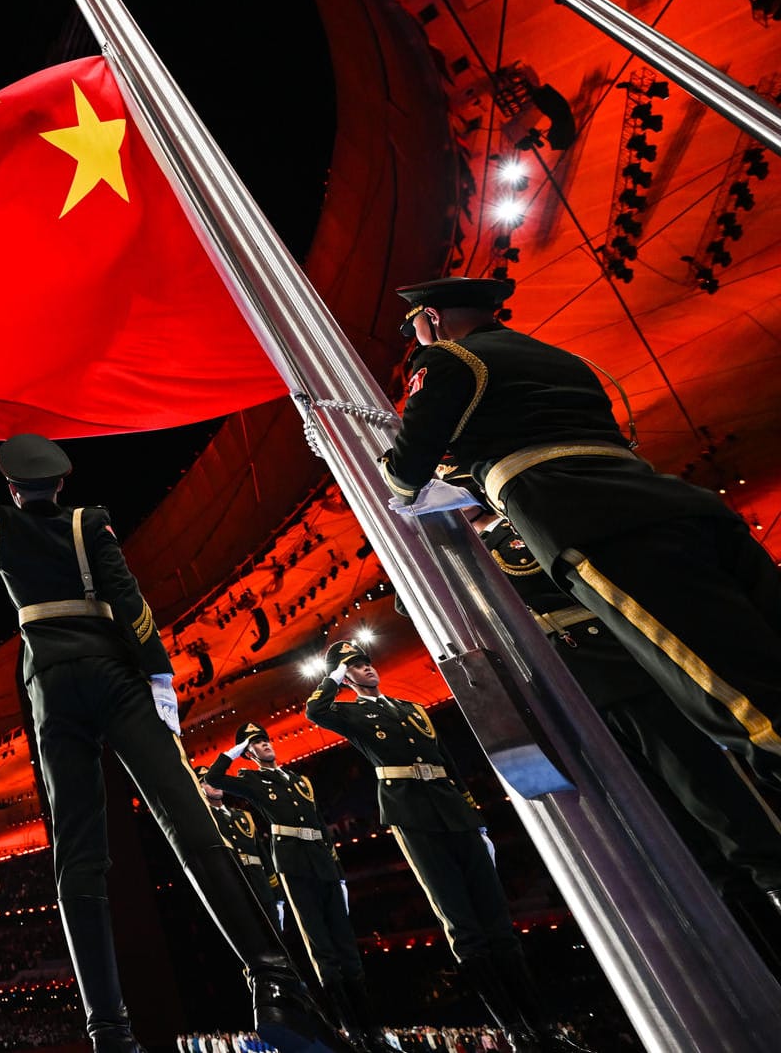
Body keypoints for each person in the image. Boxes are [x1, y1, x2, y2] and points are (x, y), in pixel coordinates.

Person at [0, 434, 348, 1053]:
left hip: (51, 686)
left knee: (78, 852)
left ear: (9, 487)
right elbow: (128, 600)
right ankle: (276, 986)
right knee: (188, 820)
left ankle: (107, 1029)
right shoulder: (88, 523)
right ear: (62, 481)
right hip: (113, 672)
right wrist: (158, 673)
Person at [380, 276, 781, 786]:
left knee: (740, 703)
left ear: (431, 318)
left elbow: (406, 470)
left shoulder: (446, 360)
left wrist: (400, 473)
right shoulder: (557, 358)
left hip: (593, 523)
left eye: (413, 325)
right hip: (674, 502)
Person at [469, 505, 781, 946]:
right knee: (682, 843)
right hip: (572, 699)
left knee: (726, 811)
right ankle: (756, 953)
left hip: (622, 673)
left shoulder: (521, 526)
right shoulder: (460, 554)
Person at [304, 640, 580, 1052]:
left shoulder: (411, 709)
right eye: (354, 668)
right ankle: (514, 1031)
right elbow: (315, 711)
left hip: (454, 811)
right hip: (412, 815)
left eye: (365, 663)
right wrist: (333, 677)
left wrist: (477, 819)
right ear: (344, 678)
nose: (365, 670)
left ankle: (544, 1028)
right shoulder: (350, 713)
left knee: (498, 921)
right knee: (465, 927)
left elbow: (447, 762)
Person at [206, 723, 373, 1051]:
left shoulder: (300, 781)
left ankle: (370, 1029)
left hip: (322, 865)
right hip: (294, 865)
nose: (265, 744)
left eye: (266, 740)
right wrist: (237, 750)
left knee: (348, 947)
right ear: (250, 753)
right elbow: (214, 779)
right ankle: (348, 1028)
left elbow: (321, 828)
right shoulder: (253, 781)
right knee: (323, 950)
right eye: (257, 743)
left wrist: (338, 872)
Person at [198, 765, 284, 931]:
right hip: (237, 894)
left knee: (280, 940)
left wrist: (278, 894)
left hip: (263, 889)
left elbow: (263, 855)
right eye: (206, 782)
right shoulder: (205, 820)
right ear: (199, 788)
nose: (214, 784)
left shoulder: (244, 816)